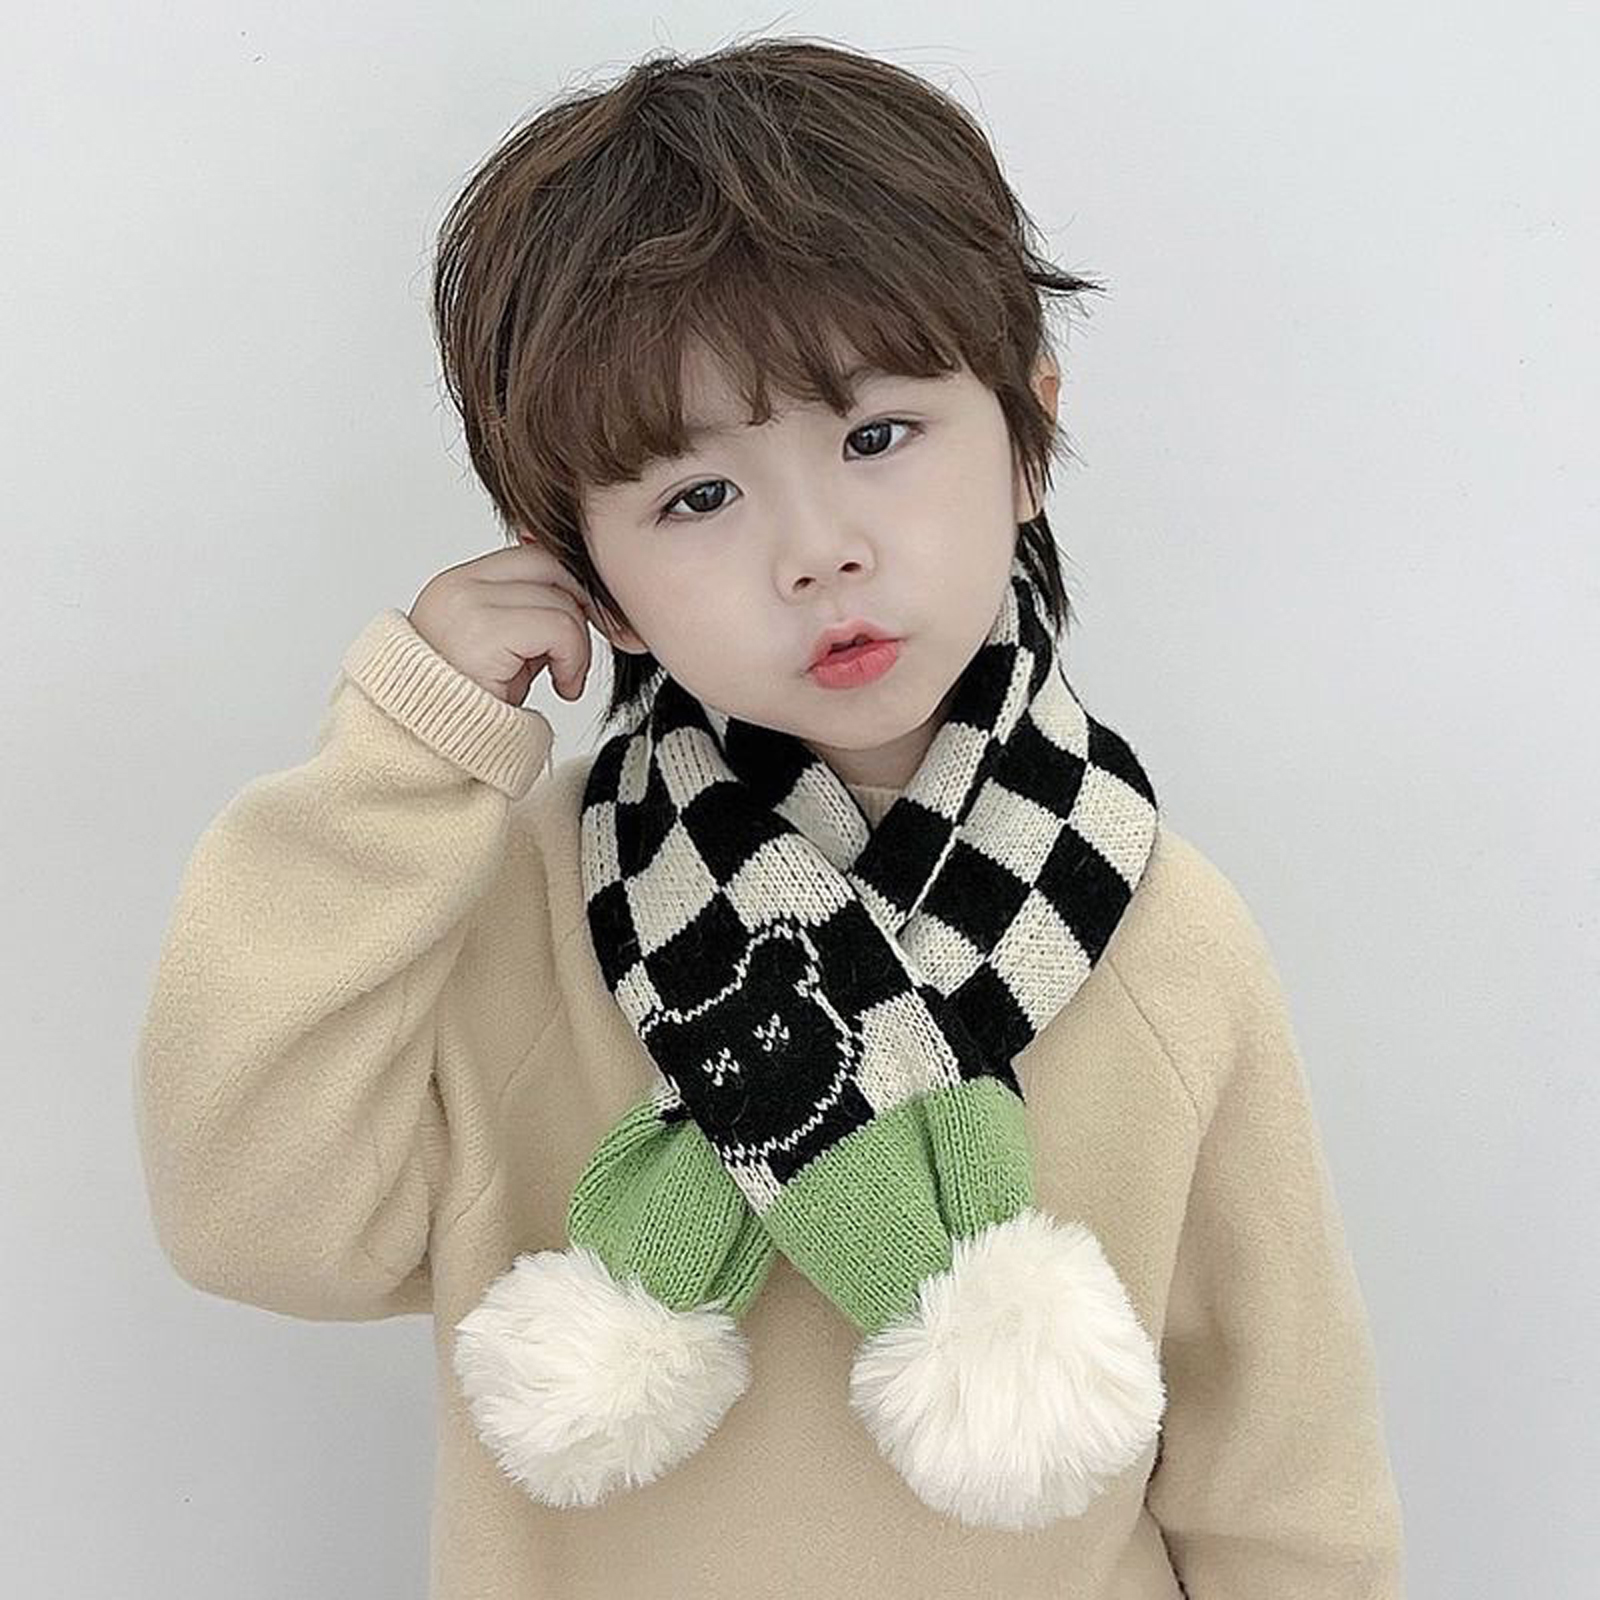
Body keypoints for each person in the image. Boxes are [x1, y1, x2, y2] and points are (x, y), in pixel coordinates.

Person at [133, 36, 1407, 1599]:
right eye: (698, 497)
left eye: (875, 438)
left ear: (1029, 439)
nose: (815, 551)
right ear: (592, 579)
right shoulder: (519, 903)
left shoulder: (1160, 931)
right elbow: (256, 1224)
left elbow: (1283, 1484)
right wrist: (405, 763)